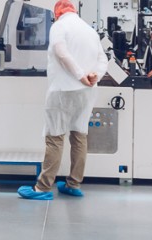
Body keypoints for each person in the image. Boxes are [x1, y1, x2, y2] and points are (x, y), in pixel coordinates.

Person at [18, 0, 107, 201]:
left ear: (57, 13)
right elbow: (103, 59)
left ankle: (42, 188)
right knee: (79, 136)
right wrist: (94, 76)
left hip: (63, 90)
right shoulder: (89, 30)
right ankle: (73, 184)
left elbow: (61, 53)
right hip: (87, 91)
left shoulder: (59, 26)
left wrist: (80, 76)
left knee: (55, 138)